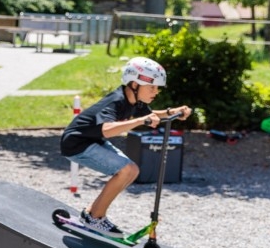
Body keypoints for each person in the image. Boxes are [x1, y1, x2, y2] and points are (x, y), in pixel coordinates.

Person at [60, 56, 192, 235]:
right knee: (126, 170)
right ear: (135, 84)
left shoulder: (134, 100)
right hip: (76, 144)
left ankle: (91, 213)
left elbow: (151, 115)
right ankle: (96, 218)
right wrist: (139, 121)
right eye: (152, 87)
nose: (156, 92)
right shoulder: (116, 101)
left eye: (157, 88)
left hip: (92, 141)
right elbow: (106, 129)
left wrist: (172, 112)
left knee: (133, 170)